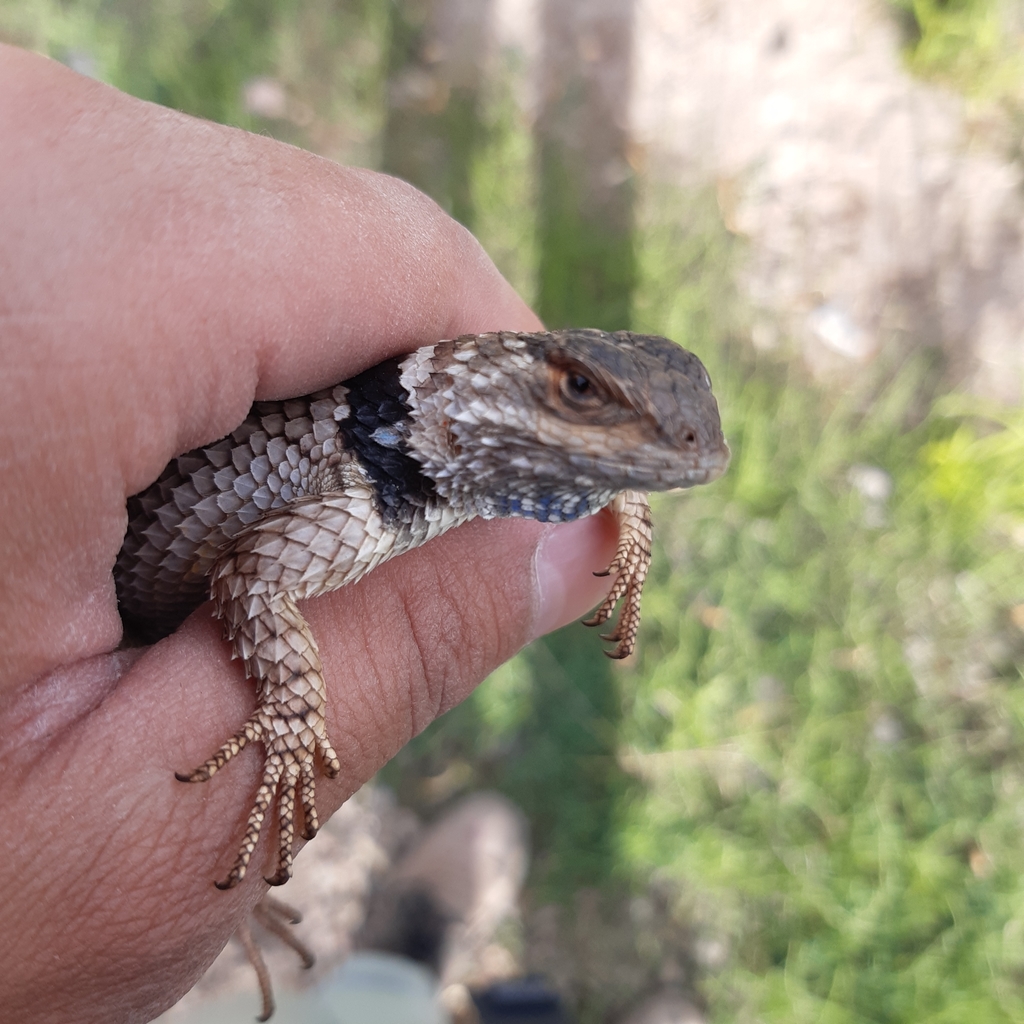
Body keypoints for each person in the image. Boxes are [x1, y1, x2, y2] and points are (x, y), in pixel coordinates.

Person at [0, 44, 619, 1024]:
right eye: (581, 393)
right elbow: (253, 579)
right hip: (111, 604)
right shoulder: (382, 463)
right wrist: (292, 714)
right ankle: (392, 974)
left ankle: (385, 975)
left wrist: (621, 526)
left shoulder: (452, 462)